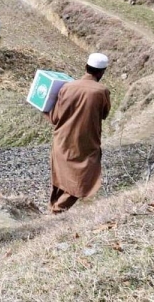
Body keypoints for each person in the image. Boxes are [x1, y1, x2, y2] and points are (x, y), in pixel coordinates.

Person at [44, 53, 111, 214]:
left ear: (86, 67)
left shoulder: (67, 87)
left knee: (60, 176)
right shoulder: (101, 91)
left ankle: (53, 207)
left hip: (62, 140)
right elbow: (104, 114)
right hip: (85, 144)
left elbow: (56, 117)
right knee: (82, 180)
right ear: (101, 72)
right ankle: (58, 211)